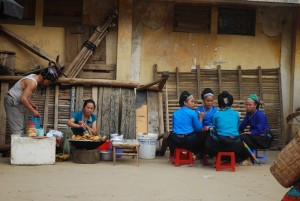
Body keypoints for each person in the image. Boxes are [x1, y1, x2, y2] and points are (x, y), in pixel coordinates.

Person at [4, 66, 59, 136]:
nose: (48, 84)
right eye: (49, 82)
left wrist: (31, 104)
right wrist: (33, 111)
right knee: (17, 131)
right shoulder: (32, 83)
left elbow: (24, 95)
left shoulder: (34, 77)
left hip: (16, 101)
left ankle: (21, 146)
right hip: (12, 101)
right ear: (46, 78)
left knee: (23, 128)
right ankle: (17, 146)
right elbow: (23, 99)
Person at [205, 91, 248, 163]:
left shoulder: (217, 115)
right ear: (231, 102)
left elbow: (215, 128)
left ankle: (215, 157)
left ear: (219, 103)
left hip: (221, 146)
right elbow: (237, 128)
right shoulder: (236, 114)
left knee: (209, 137)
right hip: (236, 146)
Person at [239, 94, 273, 165]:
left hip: (263, 138)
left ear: (255, 105)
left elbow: (259, 130)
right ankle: (244, 157)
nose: (248, 107)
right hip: (255, 136)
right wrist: (236, 130)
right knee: (239, 136)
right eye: (246, 105)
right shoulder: (249, 114)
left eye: (250, 105)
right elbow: (243, 125)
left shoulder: (260, 115)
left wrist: (250, 132)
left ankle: (249, 159)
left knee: (243, 137)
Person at [167, 91, 203, 156]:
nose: (193, 103)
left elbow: (174, 128)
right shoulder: (192, 113)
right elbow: (198, 129)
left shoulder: (175, 113)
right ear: (185, 102)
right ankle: (195, 153)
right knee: (201, 135)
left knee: (170, 135)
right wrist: (200, 118)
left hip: (175, 141)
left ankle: (173, 154)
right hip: (188, 141)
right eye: (192, 101)